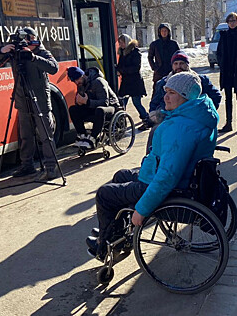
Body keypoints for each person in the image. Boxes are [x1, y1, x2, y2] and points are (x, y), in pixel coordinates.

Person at [85, 71, 219, 260]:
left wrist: (142, 210)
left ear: (186, 97)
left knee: (104, 194)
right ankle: (117, 233)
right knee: (121, 175)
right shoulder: (199, 115)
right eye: (166, 91)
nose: (165, 97)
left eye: (172, 92)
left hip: (169, 186)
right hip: (181, 178)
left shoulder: (181, 128)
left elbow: (167, 177)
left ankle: (103, 247)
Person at [0, 28, 60, 181]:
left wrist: (33, 57)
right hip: (23, 101)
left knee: (45, 136)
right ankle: (27, 166)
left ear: (33, 39)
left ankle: (51, 168)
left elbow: (53, 68)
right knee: (25, 136)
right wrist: (2, 50)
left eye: (28, 38)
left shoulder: (42, 52)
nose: (26, 42)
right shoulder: (16, 53)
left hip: (40, 101)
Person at [67, 66, 120, 150]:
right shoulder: (81, 85)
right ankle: (82, 135)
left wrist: (87, 102)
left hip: (111, 107)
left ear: (83, 75)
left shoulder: (98, 81)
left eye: (78, 79)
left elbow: (104, 102)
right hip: (94, 108)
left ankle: (93, 137)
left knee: (100, 110)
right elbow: (83, 101)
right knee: (73, 109)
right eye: (74, 81)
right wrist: (79, 103)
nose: (77, 82)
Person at [116, 34, 151, 131]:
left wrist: (122, 70)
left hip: (135, 82)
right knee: (122, 103)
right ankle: (121, 123)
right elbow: (120, 65)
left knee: (137, 102)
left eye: (122, 42)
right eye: (119, 43)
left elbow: (136, 68)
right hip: (126, 82)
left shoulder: (135, 51)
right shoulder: (122, 52)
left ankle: (146, 120)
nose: (121, 45)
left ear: (127, 42)